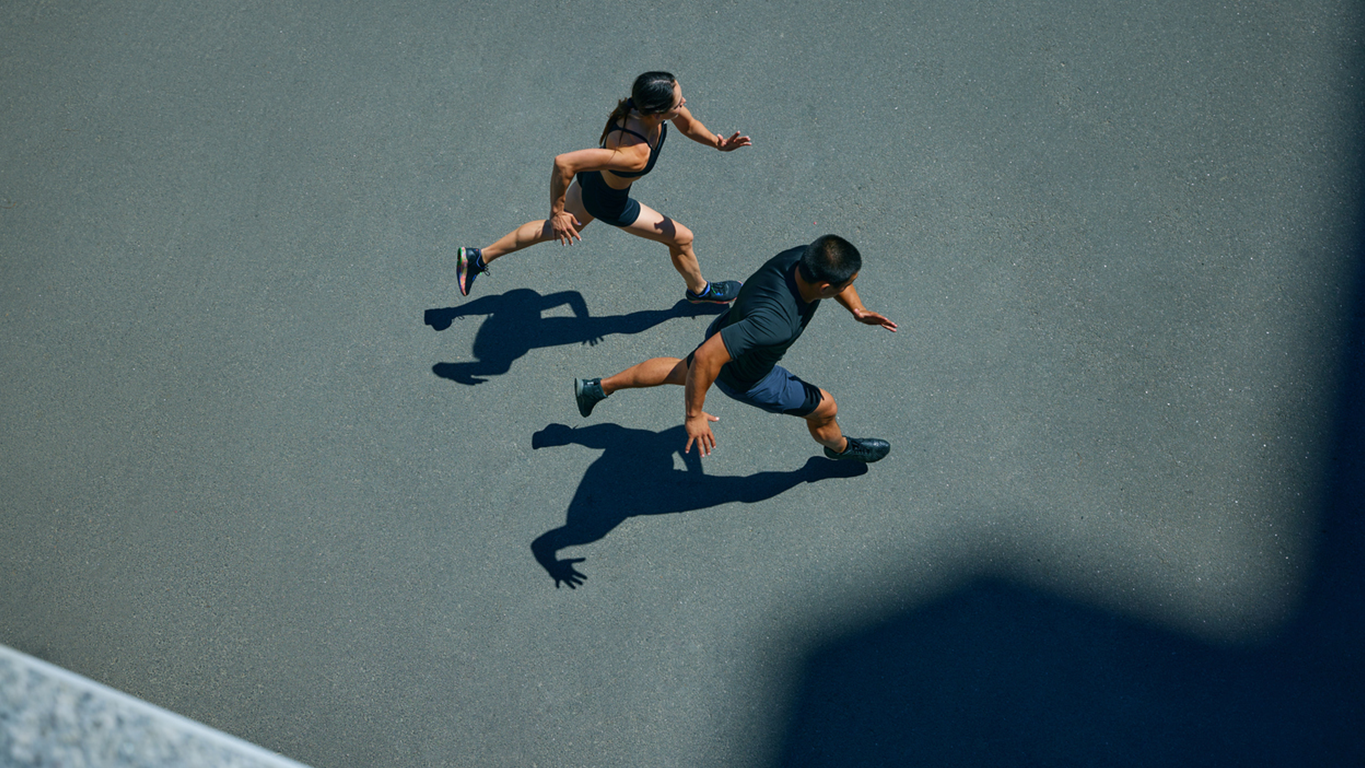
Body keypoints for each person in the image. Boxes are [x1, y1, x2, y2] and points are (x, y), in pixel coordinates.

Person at [572, 235, 897, 462]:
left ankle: (596, 388)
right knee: (826, 408)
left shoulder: (802, 257)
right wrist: (694, 415)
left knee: (681, 371)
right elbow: (706, 357)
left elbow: (708, 355)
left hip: (727, 329)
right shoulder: (775, 322)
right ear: (826, 287)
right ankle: (840, 449)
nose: (850, 288)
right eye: (847, 286)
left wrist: (857, 309)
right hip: (749, 377)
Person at [455, 71, 751, 304]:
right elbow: (563, 163)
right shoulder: (634, 154)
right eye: (678, 103)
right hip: (609, 202)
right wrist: (557, 210)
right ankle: (699, 291)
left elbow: (688, 123)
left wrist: (717, 143)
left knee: (553, 229)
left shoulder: (640, 106)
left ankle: (477, 257)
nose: (683, 104)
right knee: (683, 239)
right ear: (657, 113)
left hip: (593, 182)